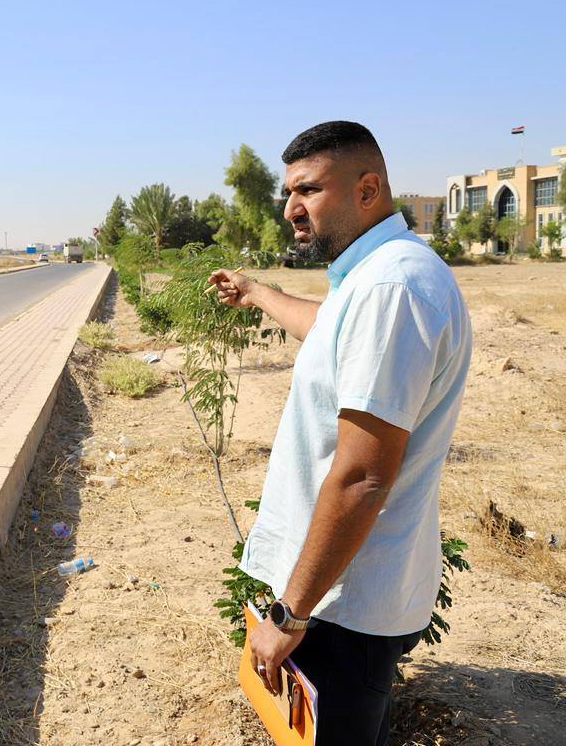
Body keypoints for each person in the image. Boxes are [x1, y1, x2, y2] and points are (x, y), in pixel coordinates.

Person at [210, 121, 472, 745]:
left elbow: (362, 477)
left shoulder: (391, 288)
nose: (290, 209)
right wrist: (257, 292)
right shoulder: (377, 276)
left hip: (342, 606)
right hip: (341, 593)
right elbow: (327, 329)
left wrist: (289, 614)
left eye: (308, 190)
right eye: (289, 193)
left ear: (367, 189)